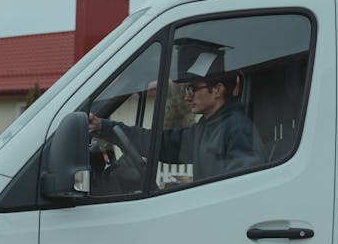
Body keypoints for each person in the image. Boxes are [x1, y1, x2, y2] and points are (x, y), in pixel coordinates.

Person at [89, 68, 263, 184]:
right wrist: (103, 127)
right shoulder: (207, 128)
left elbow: (242, 185)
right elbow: (160, 143)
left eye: (193, 89)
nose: (187, 98)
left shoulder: (238, 127)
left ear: (217, 90)